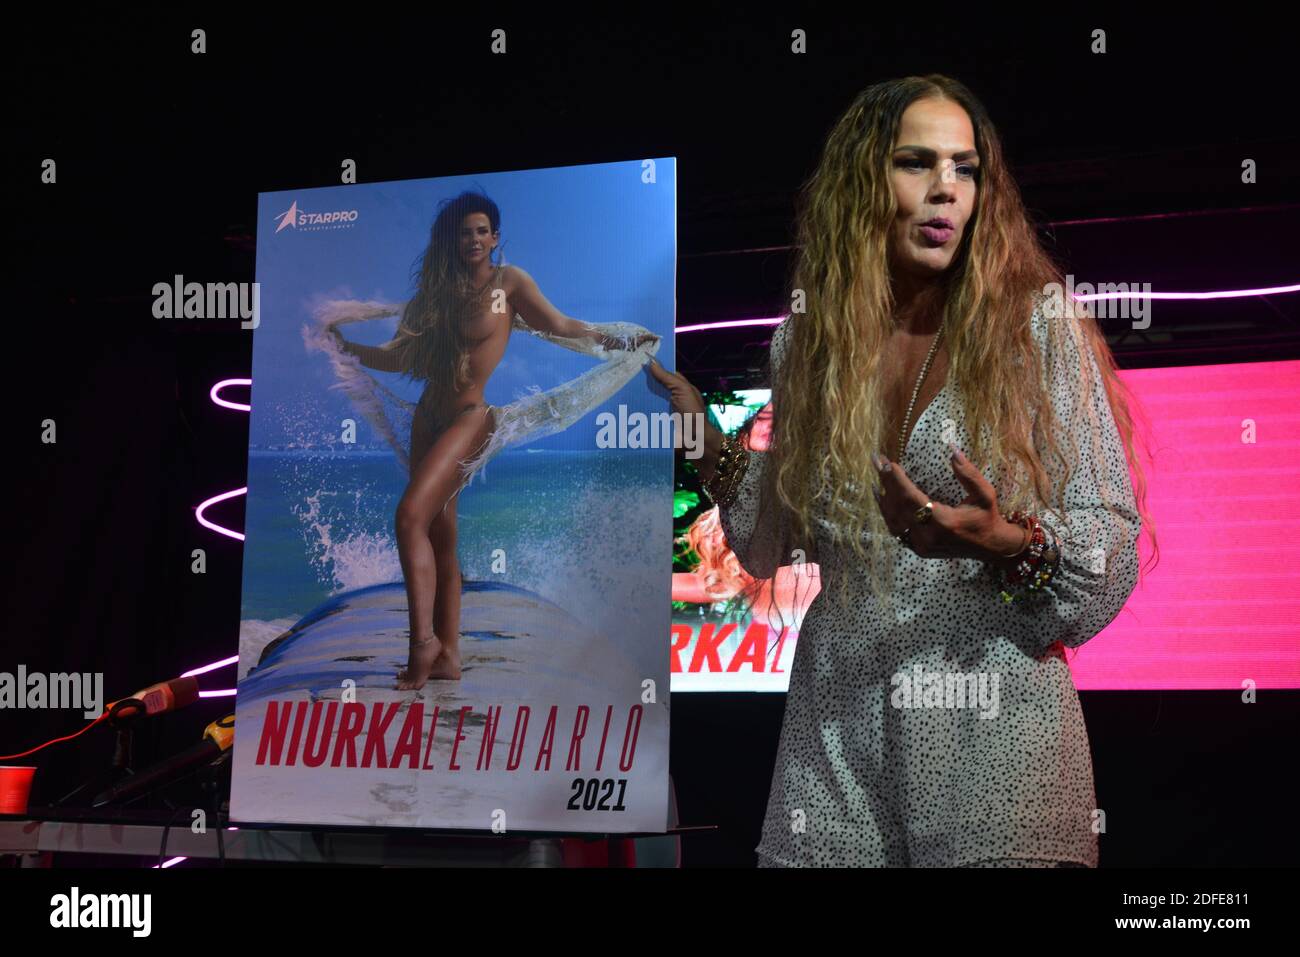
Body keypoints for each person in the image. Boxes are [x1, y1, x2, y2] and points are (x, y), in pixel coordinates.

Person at [648, 74, 1156, 867]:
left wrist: (1005, 541)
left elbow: (1109, 540)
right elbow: (776, 541)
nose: (946, 188)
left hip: (993, 734)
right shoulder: (808, 344)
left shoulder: (1035, 329)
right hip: (836, 733)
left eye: (965, 168)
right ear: (862, 183)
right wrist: (704, 441)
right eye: (917, 162)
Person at [328, 191, 657, 690]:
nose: (474, 239)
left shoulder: (510, 283)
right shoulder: (434, 296)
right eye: (465, 232)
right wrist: (349, 349)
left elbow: (561, 325)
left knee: (409, 516)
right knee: (439, 535)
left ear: (495, 237)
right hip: (428, 419)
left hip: (470, 417)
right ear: (451, 240)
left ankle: (422, 646)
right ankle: (449, 654)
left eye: (482, 231)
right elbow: (400, 359)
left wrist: (617, 340)